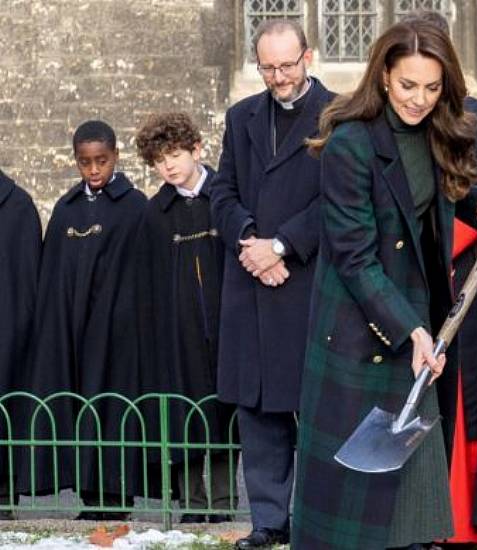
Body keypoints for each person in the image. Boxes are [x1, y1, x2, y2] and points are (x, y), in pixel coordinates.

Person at [290, 20, 477, 550]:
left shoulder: (434, 129)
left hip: (419, 315)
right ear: (385, 77)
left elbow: (430, 186)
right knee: (354, 517)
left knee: (412, 506)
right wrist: (409, 330)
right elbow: (354, 257)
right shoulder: (351, 145)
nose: (420, 99)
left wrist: (476, 201)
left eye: (432, 87)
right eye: (409, 85)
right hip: (361, 329)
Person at [398, 10, 477, 547]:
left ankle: (466, 526)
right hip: (406, 288)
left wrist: (438, 242)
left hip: (468, 285)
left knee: (466, 408)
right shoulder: (394, 127)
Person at [209, 18, 335, 549]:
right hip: (252, 281)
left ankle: (319, 518)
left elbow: (339, 200)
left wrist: (281, 247)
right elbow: (223, 192)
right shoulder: (241, 118)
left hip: (307, 282)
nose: (279, 78)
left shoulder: (339, 116)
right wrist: (250, 243)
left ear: (308, 58)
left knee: (317, 409)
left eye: (287, 66)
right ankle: (268, 520)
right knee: (259, 411)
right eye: (268, 68)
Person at [25, 120, 147, 520]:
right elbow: (53, 272)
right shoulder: (66, 209)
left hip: (117, 334)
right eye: (85, 162)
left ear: (116, 156)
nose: (94, 170)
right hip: (72, 331)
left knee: (112, 409)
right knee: (79, 406)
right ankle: (87, 495)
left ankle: (116, 498)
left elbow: (139, 273)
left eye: (102, 161)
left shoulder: (134, 208)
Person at [133, 112, 234, 524]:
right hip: (179, 333)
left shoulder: (226, 198)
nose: (168, 166)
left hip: (227, 327)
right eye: (159, 160)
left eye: (174, 154)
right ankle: (192, 503)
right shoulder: (156, 213)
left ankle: (227, 504)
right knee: (184, 413)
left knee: (228, 414)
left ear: (196, 149)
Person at [0, 169, 42, 519]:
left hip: (8, 330)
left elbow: (27, 276)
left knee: (8, 408)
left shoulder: (18, 206)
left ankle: (3, 492)